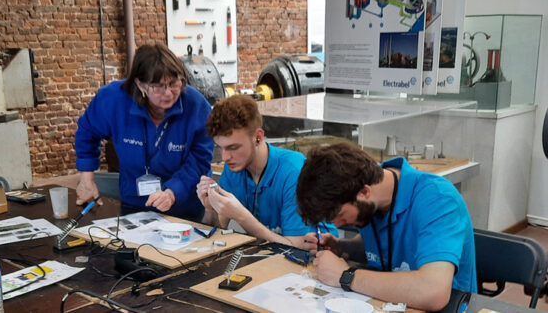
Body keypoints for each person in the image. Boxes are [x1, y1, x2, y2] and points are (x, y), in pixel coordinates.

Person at [296, 142, 476, 311]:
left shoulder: (438, 199)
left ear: (364, 192)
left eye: (340, 215)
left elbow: (433, 291)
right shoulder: (375, 201)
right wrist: (343, 247)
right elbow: (388, 246)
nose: (336, 224)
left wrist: (345, 275)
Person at [75, 42, 213, 220]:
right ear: (140, 85)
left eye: (174, 83)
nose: (169, 93)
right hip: (134, 202)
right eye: (158, 87)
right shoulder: (113, 100)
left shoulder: (197, 106)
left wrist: (172, 192)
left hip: (184, 204)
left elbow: (200, 160)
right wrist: (86, 179)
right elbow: (87, 131)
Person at [195, 95, 337, 249]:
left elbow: (296, 249)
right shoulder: (233, 169)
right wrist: (210, 209)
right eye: (219, 147)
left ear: (258, 137)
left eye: (233, 147)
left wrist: (242, 217)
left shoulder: (293, 171)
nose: (225, 157)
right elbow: (217, 234)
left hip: (315, 259)